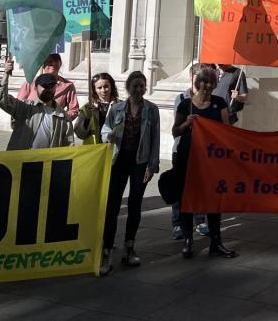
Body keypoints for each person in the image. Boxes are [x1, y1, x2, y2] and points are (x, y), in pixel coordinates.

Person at [99, 71, 160, 275]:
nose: (139, 89)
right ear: (128, 87)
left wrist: (153, 165)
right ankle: (106, 249)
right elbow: (105, 131)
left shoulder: (151, 110)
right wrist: (110, 135)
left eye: (142, 86)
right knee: (112, 205)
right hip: (119, 160)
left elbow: (155, 138)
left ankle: (129, 246)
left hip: (140, 162)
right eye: (135, 86)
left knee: (135, 204)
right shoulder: (116, 109)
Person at [172, 65, 235, 259]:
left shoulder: (219, 103)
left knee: (213, 200)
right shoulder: (185, 104)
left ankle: (216, 241)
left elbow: (227, 130)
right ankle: (188, 240)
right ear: (197, 82)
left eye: (210, 82)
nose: (207, 85)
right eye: (203, 81)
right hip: (187, 157)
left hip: (211, 160)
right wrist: (187, 123)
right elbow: (175, 131)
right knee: (186, 197)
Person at [0, 58, 75, 149]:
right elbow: (0, 99)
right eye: (44, 86)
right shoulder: (25, 108)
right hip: (23, 160)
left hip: (47, 161)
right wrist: (6, 74)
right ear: (36, 87)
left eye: (51, 86)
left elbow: (69, 145)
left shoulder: (62, 116)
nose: (48, 89)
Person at [16, 53, 80, 118]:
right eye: (48, 61)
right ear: (43, 64)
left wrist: (60, 118)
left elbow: (73, 110)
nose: (52, 63)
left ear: (60, 63)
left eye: (55, 60)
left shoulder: (68, 86)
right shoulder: (30, 82)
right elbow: (18, 104)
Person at [75, 73, 118, 144]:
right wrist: (87, 119)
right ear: (94, 89)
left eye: (106, 86)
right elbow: (80, 134)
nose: (103, 90)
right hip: (93, 150)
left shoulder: (121, 106)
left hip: (113, 149)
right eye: (99, 88)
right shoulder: (87, 108)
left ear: (112, 86)